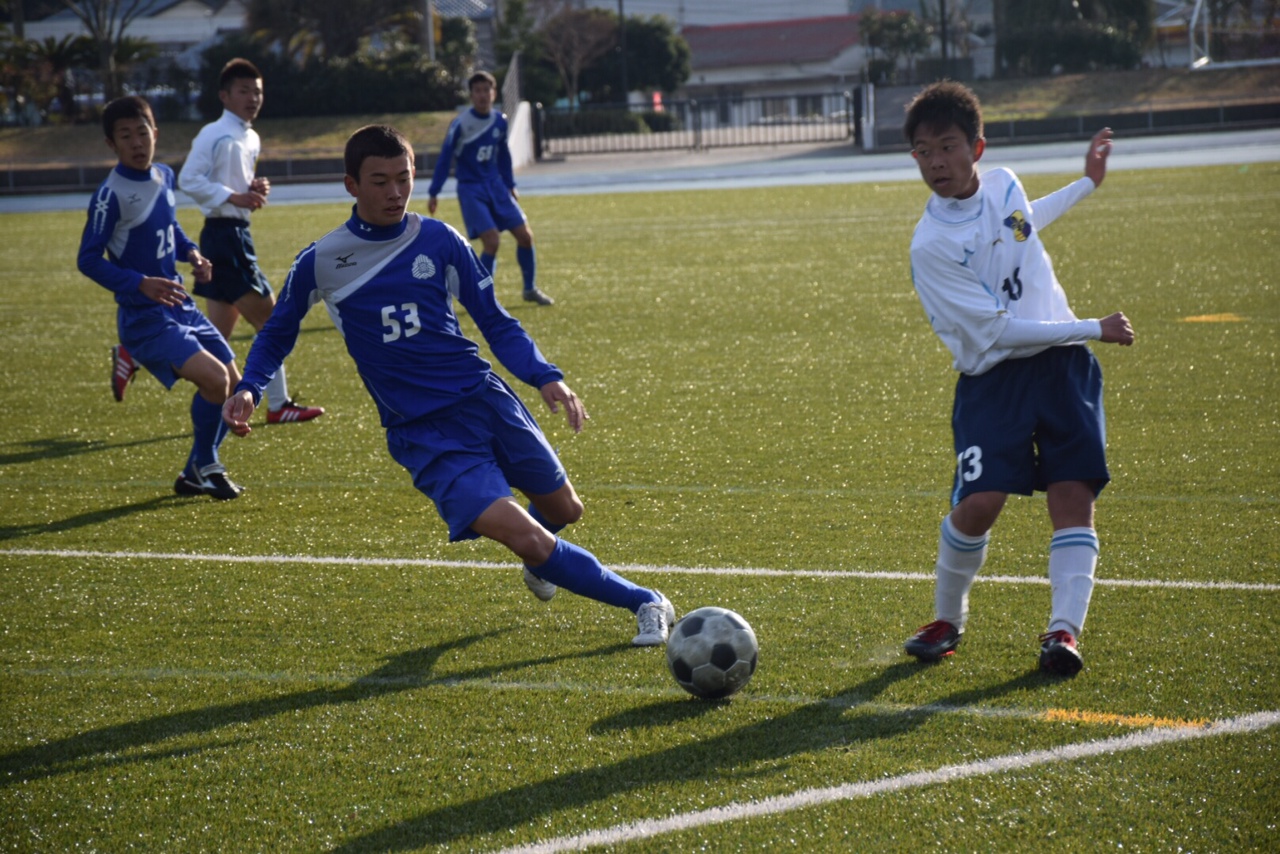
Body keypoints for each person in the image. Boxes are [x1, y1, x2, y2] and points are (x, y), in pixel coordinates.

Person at [222, 125, 675, 645]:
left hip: (484, 400)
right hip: (425, 433)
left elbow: (495, 320)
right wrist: (251, 386)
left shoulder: (439, 240)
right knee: (525, 534)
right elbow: (277, 331)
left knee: (564, 510)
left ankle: (543, 560)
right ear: (351, 185)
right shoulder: (321, 260)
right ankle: (646, 600)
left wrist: (545, 376)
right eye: (380, 181)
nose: (395, 192)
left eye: (404, 178)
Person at [899, 81, 1135, 676]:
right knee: (980, 503)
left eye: (947, 147)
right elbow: (1000, 332)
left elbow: (1022, 224)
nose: (935, 162)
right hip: (994, 378)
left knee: (1072, 498)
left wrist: (1086, 184)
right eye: (924, 151)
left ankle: (1063, 632)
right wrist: (1092, 327)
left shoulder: (1004, 184)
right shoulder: (932, 246)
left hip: (1062, 367)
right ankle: (946, 620)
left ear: (976, 148)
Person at [77, 96, 243, 500]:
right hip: (144, 317)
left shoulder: (164, 175)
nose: (137, 142)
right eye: (125, 135)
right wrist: (139, 283)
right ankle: (208, 465)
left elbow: (170, 227)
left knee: (236, 386)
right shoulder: (110, 195)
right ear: (111, 144)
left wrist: (193, 254)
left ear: (156, 133)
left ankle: (192, 474)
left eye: (142, 132)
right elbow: (87, 259)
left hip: (180, 305)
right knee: (215, 380)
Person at [178, 57, 324, 425]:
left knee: (214, 338)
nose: (253, 98)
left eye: (257, 92)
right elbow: (188, 179)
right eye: (244, 91)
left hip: (233, 234)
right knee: (273, 322)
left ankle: (137, 352)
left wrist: (254, 188)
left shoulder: (251, 136)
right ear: (224, 96)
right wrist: (235, 196)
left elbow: (236, 186)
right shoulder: (213, 133)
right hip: (225, 237)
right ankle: (278, 405)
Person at [427, 71, 554, 306]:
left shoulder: (499, 121)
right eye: (478, 91)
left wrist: (510, 184)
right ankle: (483, 297)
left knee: (525, 237)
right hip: (471, 190)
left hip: (496, 186)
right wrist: (434, 191)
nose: (482, 95)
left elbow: (503, 155)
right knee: (492, 242)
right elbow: (445, 158)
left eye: (487, 90)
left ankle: (530, 289)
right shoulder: (461, 124)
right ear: (471, 95)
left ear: (493, 93)